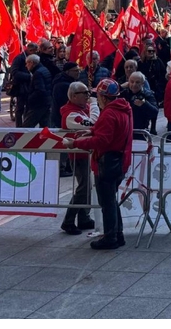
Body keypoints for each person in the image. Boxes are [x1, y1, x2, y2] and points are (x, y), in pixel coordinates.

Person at [63, 79, 133, 250]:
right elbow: (106, 131)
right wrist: (93, 130)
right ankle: (117, 234)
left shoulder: (109, 113)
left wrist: (76, 143)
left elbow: (102, 140)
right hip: (119, 160)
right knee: (111, 201)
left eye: (96, 95)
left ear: (103, 97)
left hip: (107, 162)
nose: (93, 98)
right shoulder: (123, 109)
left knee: (107, 202)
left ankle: (111, 237)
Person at [59, 81, 96, 235]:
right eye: (84, 93)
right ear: (74, 96)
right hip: (78, 154)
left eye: (88, 92)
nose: (88, 95)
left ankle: (84, 217)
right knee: (84, 187)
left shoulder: (82, 109)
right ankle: (68, 221)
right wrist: (94, 104)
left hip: (87, 153)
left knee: (87, 187)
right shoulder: (71, 114)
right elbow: (93, 123)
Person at [22, 54, 53, 128]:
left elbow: (39, 90)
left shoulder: (37, 73)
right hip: (46, 102)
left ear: (32, 63)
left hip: (38, 104)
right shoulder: (43, 69)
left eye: (27, 63)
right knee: (45, 125)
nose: (26, 66)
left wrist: (30, 99)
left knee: (27, 126)